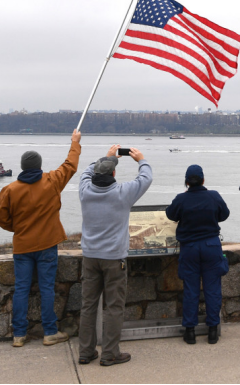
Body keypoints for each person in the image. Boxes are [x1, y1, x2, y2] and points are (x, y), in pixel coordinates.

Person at [0, 130, 82, 348]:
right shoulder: (51, 181)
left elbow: (0, 218)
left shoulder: (10, 189)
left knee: (22, 289)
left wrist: (17, 228)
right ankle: (50, 332)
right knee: (46, 288)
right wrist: (74, 142)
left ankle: (19, 335)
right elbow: (70, 165)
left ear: (23, 167)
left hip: (22, 246)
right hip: (47, 245)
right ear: (40, 166)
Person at [77, 145, 152, 367]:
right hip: (114, 259)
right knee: (114, 307)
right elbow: (146, 178)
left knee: (88, 306)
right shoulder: (123, 193)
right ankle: (110, 353)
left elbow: (85, 173)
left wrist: (107, 157)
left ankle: (85, 352)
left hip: (90, 257)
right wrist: (141, 159)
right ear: (113, 174)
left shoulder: (84, 191)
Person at [166, 165, 230, 345]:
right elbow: (224, 214)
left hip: (190, 248)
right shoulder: (214, 196)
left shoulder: (181, 199)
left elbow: (170, 214)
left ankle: (190, 331)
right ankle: (212, 331)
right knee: (212, 289)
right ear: (203, 180)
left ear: (186, 182)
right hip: (211, 245)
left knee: (191, 290)